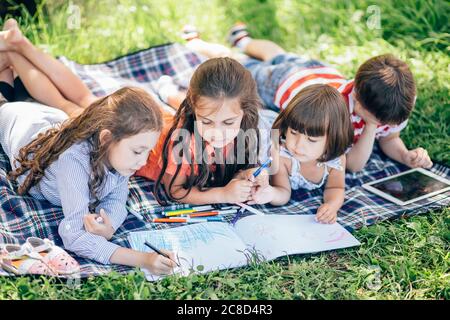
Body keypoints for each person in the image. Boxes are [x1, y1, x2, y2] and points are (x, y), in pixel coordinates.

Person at [0, 87, 177, 275]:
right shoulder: (72, 161)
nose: (142, 162)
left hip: (49, 116)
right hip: (19, 124)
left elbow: (117, 201)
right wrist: (143, 259)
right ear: (106, 138)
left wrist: (109, 227)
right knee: (5, 105)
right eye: (137, 151)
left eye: (148, 151)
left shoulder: (121, 157)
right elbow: (73, 234)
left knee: (13, 89)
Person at [253, 84, 353, 224]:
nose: (298, 145)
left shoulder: (335, 161)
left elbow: (335, 187)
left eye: (311, 140)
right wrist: (270, 193)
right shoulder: (282, 156)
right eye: (293, 132)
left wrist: (331, 206)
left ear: (332, 140)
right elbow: (283, 191)